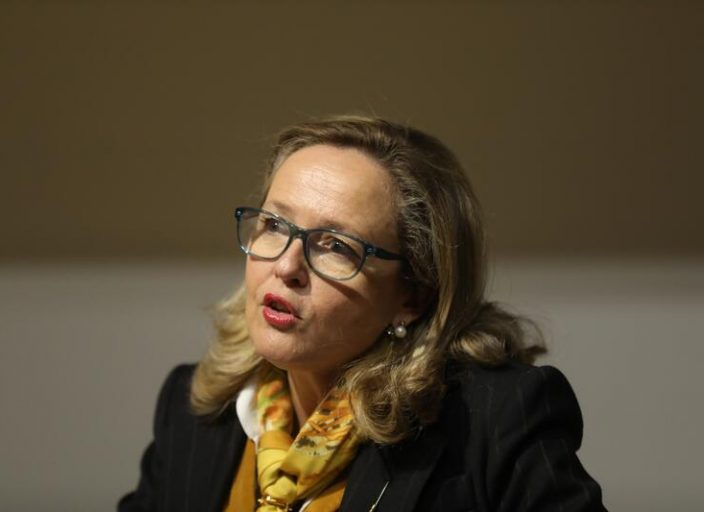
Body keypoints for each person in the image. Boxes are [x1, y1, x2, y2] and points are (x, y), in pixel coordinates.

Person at [118, 116, 607, 511]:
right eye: (274, 225)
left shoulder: (493, 422)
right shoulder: (195, 410)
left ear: (412, 296)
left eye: (335, 245)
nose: (286, 266)